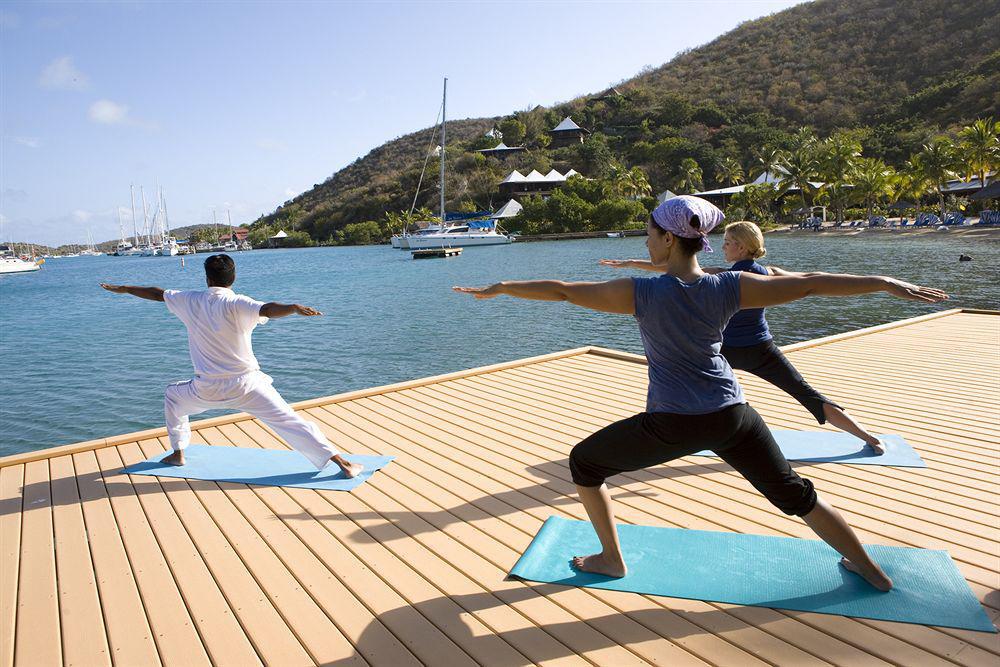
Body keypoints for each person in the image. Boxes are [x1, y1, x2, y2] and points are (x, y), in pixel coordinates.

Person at [454, 195, 948, 590]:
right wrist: (885, 283)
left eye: (649, 233)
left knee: (584, 464)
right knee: (796, 495)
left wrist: (502, 286)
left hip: (674, 423)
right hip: (734, 413)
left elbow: (562, 289)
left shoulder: (640, 292)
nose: (646, 241)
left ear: (668, 238)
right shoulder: (728, 286)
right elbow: (811, 285)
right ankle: (870, 568)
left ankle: (610, 559)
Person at [601, 220, 885, 453]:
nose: (722, 247)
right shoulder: (769, 273)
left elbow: (666, 268)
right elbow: (814, 279)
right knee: (807, 394)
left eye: (726, 243)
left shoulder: (724, 277)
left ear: (740, 246)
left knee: (681, 386)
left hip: (725, 352)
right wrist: (882, 283)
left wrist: (631, 264)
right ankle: (868, 437)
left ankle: (670, 434)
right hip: (762, 349)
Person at [100, 254, 362, 477]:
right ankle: (343, 463)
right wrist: (293, 307)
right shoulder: (238, 303)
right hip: (248, 386)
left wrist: (123, 288)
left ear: (207, 278)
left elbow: (157, 294)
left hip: (206, 388)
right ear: (233, 278)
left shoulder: (189, 300)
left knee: (173, 397)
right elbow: (268, 309)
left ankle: (178, 454)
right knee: (291, 422)